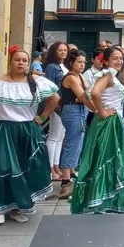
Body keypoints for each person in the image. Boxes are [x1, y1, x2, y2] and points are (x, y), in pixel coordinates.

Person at [0, 47, 59, 224]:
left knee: (24, 170)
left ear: (28, 64)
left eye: (24, 60)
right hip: (2, 131)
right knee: (1, 169)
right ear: (10, 62)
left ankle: (17, 207)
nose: (21, 63)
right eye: (17, 60)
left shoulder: (37, 82)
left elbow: (54, 98)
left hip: (26, 131)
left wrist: (42, 117)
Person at [70, 46, 124, 215]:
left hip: (109, 121)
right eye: (115, 58)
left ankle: (102, 200)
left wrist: (97, 110)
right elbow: (94, 93)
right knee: (106, 159)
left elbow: (84, 96)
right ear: (105, 61)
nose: (119, 61)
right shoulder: (107, 75)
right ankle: (101, 201)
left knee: (103, 159)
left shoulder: (108, 75)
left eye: (121, 58)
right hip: (109, 123)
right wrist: (102, 111)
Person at [58, 50, 97, 200]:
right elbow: (84, 96)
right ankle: (65, 179)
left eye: (83, 62)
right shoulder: (71, 77)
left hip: (80, 110)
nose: (82, 65)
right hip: (72, 111)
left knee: (78, 143)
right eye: (79, 62)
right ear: (71, 63)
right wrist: (97, 110)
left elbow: (89, 92)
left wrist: (85, 97)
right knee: (72, 143)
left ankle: (72, 172)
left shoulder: (80, 76)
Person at [43, 41, 69, 180]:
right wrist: (54, 102)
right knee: (54, 136)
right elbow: (49, 86)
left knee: (60, 137)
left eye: (65, 50)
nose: (63, 52)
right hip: (57, 104)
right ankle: (49, 168)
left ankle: (56, 166)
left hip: (65, 104)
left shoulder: (64, 66)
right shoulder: (52, 67)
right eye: (60, 50)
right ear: (54, 51)